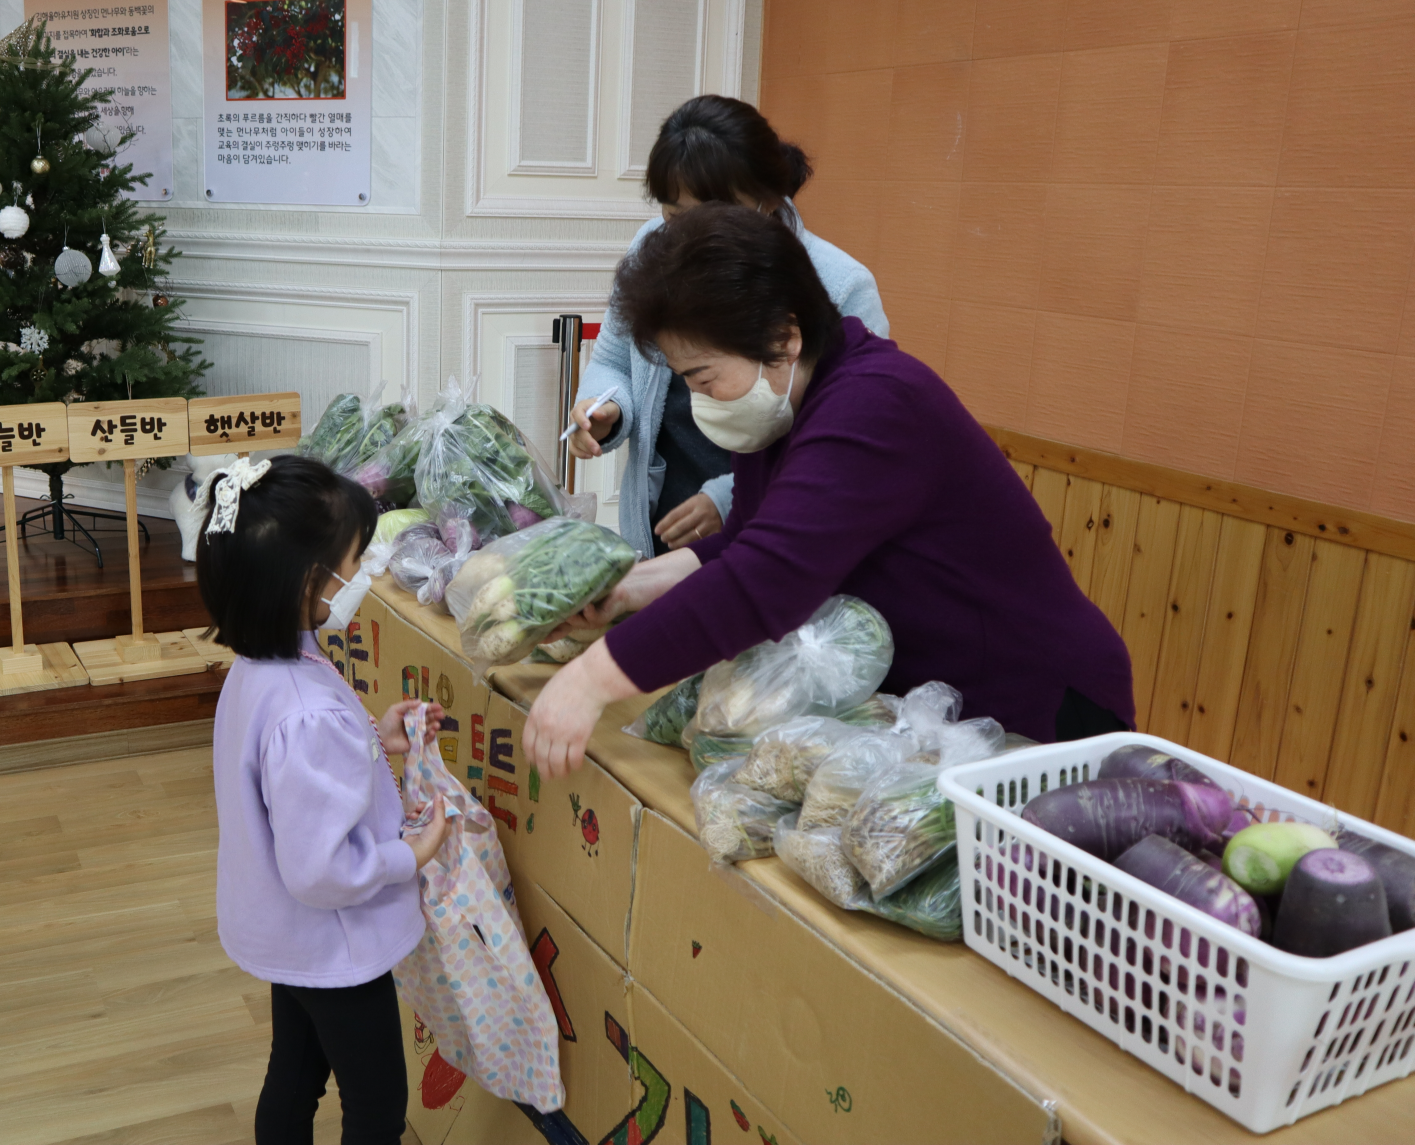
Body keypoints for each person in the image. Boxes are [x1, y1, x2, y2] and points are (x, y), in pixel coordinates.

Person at [524, 204, 1134, 778]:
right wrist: (629, 588)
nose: (698, 398)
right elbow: (743, 546)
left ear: (784, 338)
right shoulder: (787, 408)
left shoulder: (876, 403)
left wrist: (592, 680)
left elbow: (764, 583)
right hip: (932, 711)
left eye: (702, 376)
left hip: (1033, 705)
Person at [196, 455, 452, 1145]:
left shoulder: (262, 665)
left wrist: (374, 738)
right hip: (334, 943)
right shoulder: (307, 709)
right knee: (375, 1102)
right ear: (312, 581)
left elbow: (290, 781)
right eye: (355, 559)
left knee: (295, 1069)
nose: (362, 572)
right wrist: (409, 853)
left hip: (286, 929)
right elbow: (321, 869)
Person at [566, 94, 888, 558]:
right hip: (668, 508)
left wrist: (729, 496)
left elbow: (842, 446)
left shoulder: (839, 283)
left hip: (776, 522)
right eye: (676, 214)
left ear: (768, 199)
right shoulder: (655, 248)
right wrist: (602, 409)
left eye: (716, 213)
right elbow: (615, 357)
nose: (691, 234)